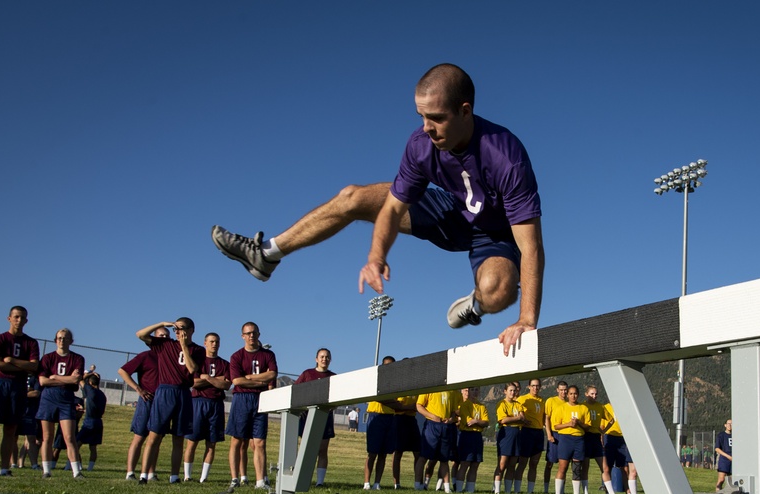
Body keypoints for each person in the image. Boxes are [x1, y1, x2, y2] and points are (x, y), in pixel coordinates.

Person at [211, 63, 544, 357]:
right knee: (352, 198)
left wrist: (527, 320)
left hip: (497, 233)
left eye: (437, 118)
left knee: (498, 291)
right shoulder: (420, 144)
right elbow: (392, 208)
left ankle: (475, 304)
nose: (427, 127)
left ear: (465, 111)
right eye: (421, 116)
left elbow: (530, 245)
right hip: (450, 211)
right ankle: (268, 254)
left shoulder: (505, 155)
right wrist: (376, 255)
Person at [136, 318, 205, 485]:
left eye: (181, 329)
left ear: (191, 330)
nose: (178, 332)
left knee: (178, 437)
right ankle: (144, 474)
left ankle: (174, 476)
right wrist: (160, 324)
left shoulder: (198, 350)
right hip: (165, 392)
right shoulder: (165, 345)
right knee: (154, 435)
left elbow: (192, 369)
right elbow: (140, 335)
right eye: (175, 329)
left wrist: (183, 346)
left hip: (183, 393)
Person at [0, 306, 40, 476]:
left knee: (11, 429)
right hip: (0, 384)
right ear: (9, 318)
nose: (19, 320)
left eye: (22, 318)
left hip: (18, 387)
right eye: (16, 317)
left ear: (26, 320)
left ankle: (4, 468)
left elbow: (34, 366)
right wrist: (23, 366)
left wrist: (12, 361)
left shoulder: (31, 342)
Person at [226, 322, 278, 489]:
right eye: (248, 333)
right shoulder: (236, 356)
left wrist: (248, 378)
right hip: (241, 398)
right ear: (242, 336)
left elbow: (272, 374)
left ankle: (260, 481)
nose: (251, 336)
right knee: (237, 440)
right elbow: (236, 381)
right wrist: (260, 381)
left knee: (259, 442)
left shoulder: (268, 354)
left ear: (259, 334)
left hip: (260, 400)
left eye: (254, 333)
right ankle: (235, 478)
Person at [117, 326, 170, 480]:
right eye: (161, 336)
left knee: (157, 439)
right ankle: (130, 472)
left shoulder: (169, 358)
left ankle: (150, 472)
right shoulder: (145, 356)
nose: (165, 338)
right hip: (148, 400)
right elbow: (122, 371)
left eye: (167, 336)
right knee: (139, 437)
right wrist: (138, 389)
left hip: (162, 402)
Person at [36, 328, 86, 478]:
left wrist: (54, 377)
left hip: (66, 397)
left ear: (71, 341)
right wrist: (62, 379)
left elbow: (75, 380)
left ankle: (76, 472)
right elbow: (42, 381)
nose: (62, 340)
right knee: (47, 436)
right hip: (48, 398)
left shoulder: (77, 359)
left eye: (65, 338)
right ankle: (46, 470)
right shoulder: (47, 358)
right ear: (55, 340)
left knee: (69, 437)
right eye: (59, 338)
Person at [183, 332, 231, 482]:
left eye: (217, 341)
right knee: (192, 441)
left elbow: (227, 384)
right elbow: (193, 382)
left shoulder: (225, 364)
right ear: (205, 343)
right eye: (211, 341)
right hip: (198, 402)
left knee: (212, 443)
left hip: (216, 404)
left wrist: (208, 377)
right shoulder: (198, 361)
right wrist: (216, 380)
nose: (214, 344)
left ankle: (204, 478)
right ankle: (187, 476)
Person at [295, 348, 336, 486]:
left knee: (323, 449)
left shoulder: (334, 377)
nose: (324, 359)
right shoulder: (307, 374)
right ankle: (301, 478)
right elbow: (296, 391)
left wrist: (332, 406)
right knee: (306, 448)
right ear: (316, 359)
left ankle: (320, 482)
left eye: (327, 357)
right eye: (322, 356)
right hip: (307, 416)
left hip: (325, 416)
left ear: (330, 359)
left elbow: (338, 398)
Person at [415, 389, 461, 492]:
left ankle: (447, 488)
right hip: (432, 425)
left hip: (445, 426)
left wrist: (451, 419)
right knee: (424, 456)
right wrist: (432, 416)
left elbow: (454, 411)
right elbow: (419, 406)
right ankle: (418, 485)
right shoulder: (431, 387)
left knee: (444, 459)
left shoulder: (452, 390)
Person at [363, 357, 398, 491]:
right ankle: (366, 482)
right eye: (387, 366)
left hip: (390, 417)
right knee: (372, 453)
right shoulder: (376, 379)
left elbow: (398, 402)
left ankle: (377, 483)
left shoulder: (396, 383)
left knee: (383, 453)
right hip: (376, 416)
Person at [552, 386, 587, 494]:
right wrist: (569, 424)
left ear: (578, 394)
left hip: (579, 439)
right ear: (567, 395)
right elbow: (556, 426)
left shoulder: (583, 408)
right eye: (571, 393)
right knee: (563, 466)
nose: (573, 396)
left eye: (575, 393)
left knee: (577, 467)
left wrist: (579, 423)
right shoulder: (561, 408)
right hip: (565, 439)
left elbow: (588, 427)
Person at [582, 385, 616, 494]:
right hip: (585, 437)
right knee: (585, 466)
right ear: (586, 394)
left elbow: (611, 420)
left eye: (596, 394)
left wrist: (603, 431)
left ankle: (611, 493)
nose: (594, 396)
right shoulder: (582, 406)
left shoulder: (600, 407)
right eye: (592, 393)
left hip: (596, 437)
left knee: (605, 467)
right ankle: (585, 493)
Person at [455, 387, 489, 493]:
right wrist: (479, 422)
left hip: (477, 436)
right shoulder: (464, 405)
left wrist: (476, 421)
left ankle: (470, 489)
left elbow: (486, 422)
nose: (475, 392)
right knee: (465, 463)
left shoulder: (482, 406)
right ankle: (459, 489)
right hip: (466, 435)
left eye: (477, 390)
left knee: (475, 463)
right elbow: (468, 421)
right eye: (472, 390)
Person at [603, 401, 639, 494]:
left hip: (622, 438)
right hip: (609, 437)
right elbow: (602, 425)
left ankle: (628, 492)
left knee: (624, 467)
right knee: (608, 466)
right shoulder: (605, 408)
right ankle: (608, 491)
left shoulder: (623, 406)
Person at [516, 378, 545, 494]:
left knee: (534, 463)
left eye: (537, 386)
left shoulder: (542, 400)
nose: (535, 388)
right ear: (529, 387)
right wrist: (523, 420)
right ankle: (517, 489)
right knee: (522, 462)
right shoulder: (522, 399)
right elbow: (517, 413)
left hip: (538, 433)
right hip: (526, 432)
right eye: (533, 386)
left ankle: (530, 491)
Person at [494, 382, 524, 494]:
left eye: (514, 390)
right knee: (502, 463)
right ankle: (496, 490)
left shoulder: (518, 404)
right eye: (510, 390)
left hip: (517, 432)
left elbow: (523, 418)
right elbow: (503, 420)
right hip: (506, 432)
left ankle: (507, 491)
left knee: (512, 464)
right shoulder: (501, 403)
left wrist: (513, 418)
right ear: (505, 391)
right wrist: (517, 418)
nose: (513, 392)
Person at [76, 370, 107, 472]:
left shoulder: (90, 390)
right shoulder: (102, 395)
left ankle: (78, 466)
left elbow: (80, 379)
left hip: (89, 421)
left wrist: (89, 373)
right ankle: (90, 468)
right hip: (99, 421)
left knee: (76, 445)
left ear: (90, 383)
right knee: (93, 447)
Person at [542, 381, 568, 493]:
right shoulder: (551, 401)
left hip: (566, 434)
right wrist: (549, 434)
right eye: (561, 390)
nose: (563, 392)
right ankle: (546, 489)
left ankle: (561, 490)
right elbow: (546, 418)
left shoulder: (569, 402)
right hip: (554, 433)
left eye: (565, 390)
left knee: (564, 464)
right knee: (550, 463)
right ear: (557, 390)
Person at [16, 374, 41, 470]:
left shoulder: (35, 378)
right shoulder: (18, 375)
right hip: (18, 410)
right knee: (14, 438)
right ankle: (18, 463)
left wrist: (20, 393)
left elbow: (36, 393)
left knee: (31, 438)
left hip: (30, 412)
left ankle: (34, 464)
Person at [714, 418, 733, 492]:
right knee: (721, 479)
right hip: (724, 458)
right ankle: (718, 493)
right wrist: (728, 456)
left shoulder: (736, 435)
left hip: (733, 459)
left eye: (732, 424)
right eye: (729, 423)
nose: (730, 425)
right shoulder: (721, 435)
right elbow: (717, 448)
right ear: (725, 425)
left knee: (732, 480)